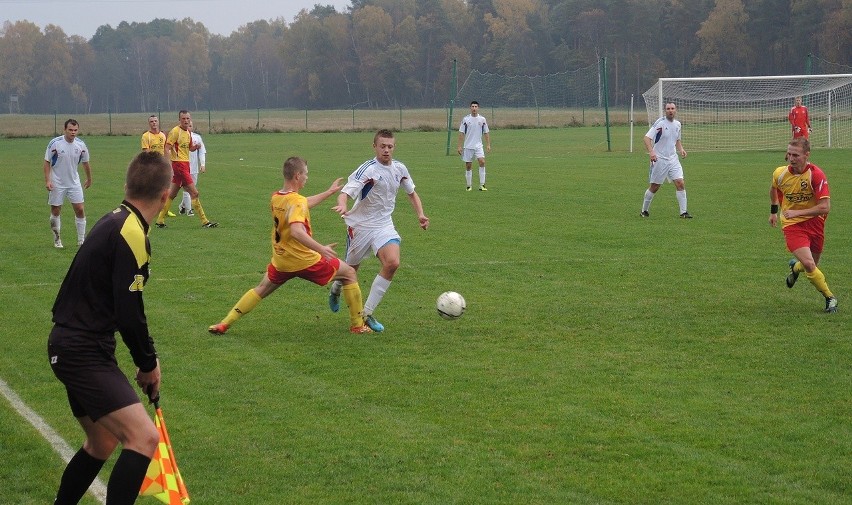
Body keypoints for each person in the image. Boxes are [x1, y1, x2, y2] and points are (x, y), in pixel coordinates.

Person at [48, 151, 172, 505]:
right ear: (166, 195)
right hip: (81, 350)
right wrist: (148, 364)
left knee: (102, 442)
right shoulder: (131, 233)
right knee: (144, 438)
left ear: (126, 185)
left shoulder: (112, 220)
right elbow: (129, 312)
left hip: (72, 344)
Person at [208, 156, 373, 335]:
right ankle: (357, 325)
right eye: (306, 174)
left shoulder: (277, 197)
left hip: (282, 260)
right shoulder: (296, 201)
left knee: (261, 289)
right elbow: (296, 231)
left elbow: (303, 204)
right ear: (297, 176)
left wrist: (328, 192)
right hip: (305, 261)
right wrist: (321, 249)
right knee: (349, 273)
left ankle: (224, 323)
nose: (307, 178)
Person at [327, 129, 430, 332]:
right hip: (360, 226)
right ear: (374, 146)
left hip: (383, 225)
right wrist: (343, 205)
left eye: (390, 146)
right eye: (382, 146)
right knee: (350, 271)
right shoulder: (368, 170)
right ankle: (336, 289)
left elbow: (412, 193)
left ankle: (367, 313)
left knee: (392, 263)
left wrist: (420, 214)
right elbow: (346, 192)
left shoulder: (400, 169)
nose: (386, 150)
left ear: (394, 148)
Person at [769, 137, 837, 313]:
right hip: (792, 225)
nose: (791, 158)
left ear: (807, 155)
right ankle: (830, 298)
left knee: (811, 264)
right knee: (810, 264)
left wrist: (797, 212)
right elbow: (774, 188)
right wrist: (773, 211)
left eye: (796, 155)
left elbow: (825, 206)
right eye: (789, 154)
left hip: (815, 224)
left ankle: (795, 267)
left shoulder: (816, 174)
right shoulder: (780, 173)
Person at [155, 110, 217, 228]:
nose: (186, 121)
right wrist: (168, 163)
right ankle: (205, 222)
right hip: (179, 165)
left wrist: (196, 147)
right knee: (194, 193)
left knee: (172, 194)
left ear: (190, 119)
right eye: (183, 119)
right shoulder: (175, 131)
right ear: (179, 120)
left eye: (188, 119)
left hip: (185, 164)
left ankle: (160, 220)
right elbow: (167, 147)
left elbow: (189, 148)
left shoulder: (188, 132)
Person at [44, 119, 92, 249]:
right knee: (55, 210)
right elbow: (47, 161)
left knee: (80, 209)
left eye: (75, 130)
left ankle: (81, 240)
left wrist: (89, 178)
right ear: (65, 129)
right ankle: (57, 239)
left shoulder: (81, 145)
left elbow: (86, 162)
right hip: (57, 182)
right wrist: (48, 180)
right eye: (70, 130)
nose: (73, 132)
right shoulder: (55, 144)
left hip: (74, 182)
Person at [640, 102, 692, 219]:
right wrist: (652, 152)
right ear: (665, 110)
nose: (670, 111)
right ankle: (644, 210)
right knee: (655, 187)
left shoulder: (678, 124)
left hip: (673, 159)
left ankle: (683, 212)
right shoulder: (660, 123)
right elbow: (647, 138)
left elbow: (677, 140)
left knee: (680, 183)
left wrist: (681, 149)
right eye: (668, 109)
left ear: (676, 110)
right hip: (659, 159)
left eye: (672, 108)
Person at [141, 114, 175, 217]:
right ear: (149, 123)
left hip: (162, 165)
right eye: (152, 121)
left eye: (155, 121)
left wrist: (168, 163)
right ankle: (148, 208)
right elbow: (146, 152)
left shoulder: (163, 135)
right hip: (152, 166)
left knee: (164, 188)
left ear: (158, 122)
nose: (154, 123)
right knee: (152, 189)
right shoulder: (146, 136)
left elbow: (166, 150)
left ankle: (164, 210)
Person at [457, 100, 491, 191]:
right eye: (472, 106)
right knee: (468, 166)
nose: (474, 108)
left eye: (476, 107)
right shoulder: (466, 119)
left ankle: (482, 185)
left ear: (478, 108)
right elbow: (461, 133)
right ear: (470, 108)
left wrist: (488, 144)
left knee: (482, 162)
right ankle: (469, 186)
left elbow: (486, 132)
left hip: (478, 146)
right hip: (468, 146)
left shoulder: (482, 119)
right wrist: (459, 146)